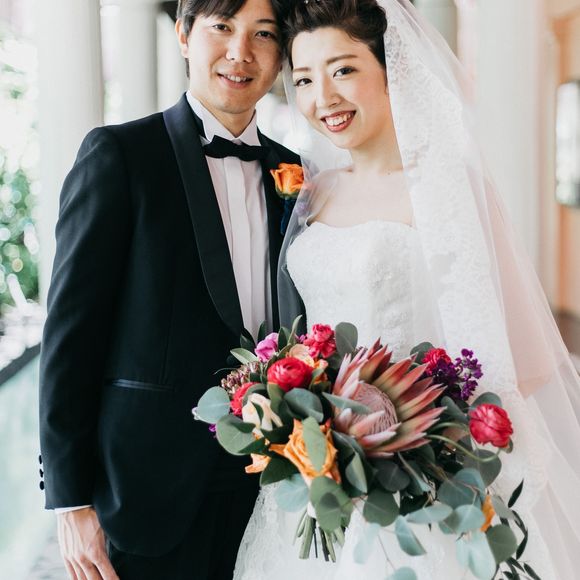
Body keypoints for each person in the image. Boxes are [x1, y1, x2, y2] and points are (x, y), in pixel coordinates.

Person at [234, 1, 580, 578]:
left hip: (419, 477)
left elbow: (522, 360)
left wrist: (436, 451)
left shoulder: (446, 190)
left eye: (344, 70)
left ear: (390, 68)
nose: (323, 98)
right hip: (317, 472)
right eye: (305, 79)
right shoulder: (314, 193)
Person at [38, 0, 299, 578]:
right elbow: (70, 338)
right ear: (184, 34)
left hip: (270, 485)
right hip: (147, 489)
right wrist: (70, 499)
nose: (240, 52)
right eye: (222, 27)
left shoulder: (296, 174)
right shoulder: (119, 155)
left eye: (263, 34)